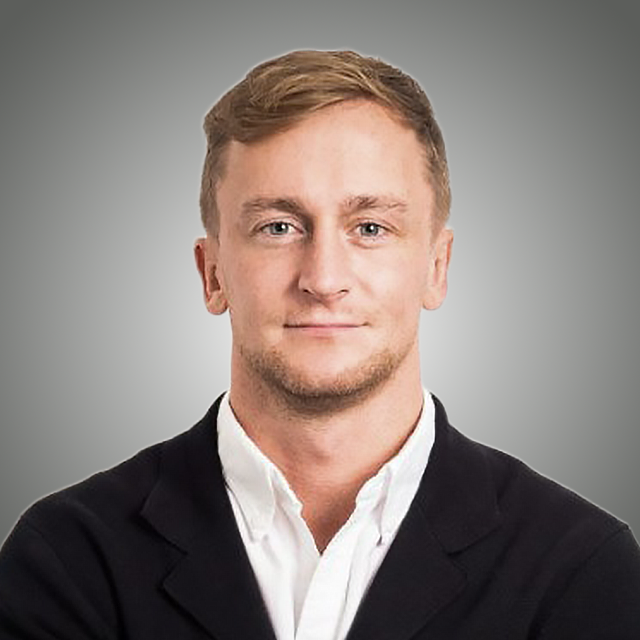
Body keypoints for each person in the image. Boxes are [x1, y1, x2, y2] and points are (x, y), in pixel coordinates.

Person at [0, 49, 639, 640]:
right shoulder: (68, 560)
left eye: (370, 227)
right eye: (278, 227)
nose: (324, 279)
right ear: (212, 273)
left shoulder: (580, 569)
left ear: (436, 267)